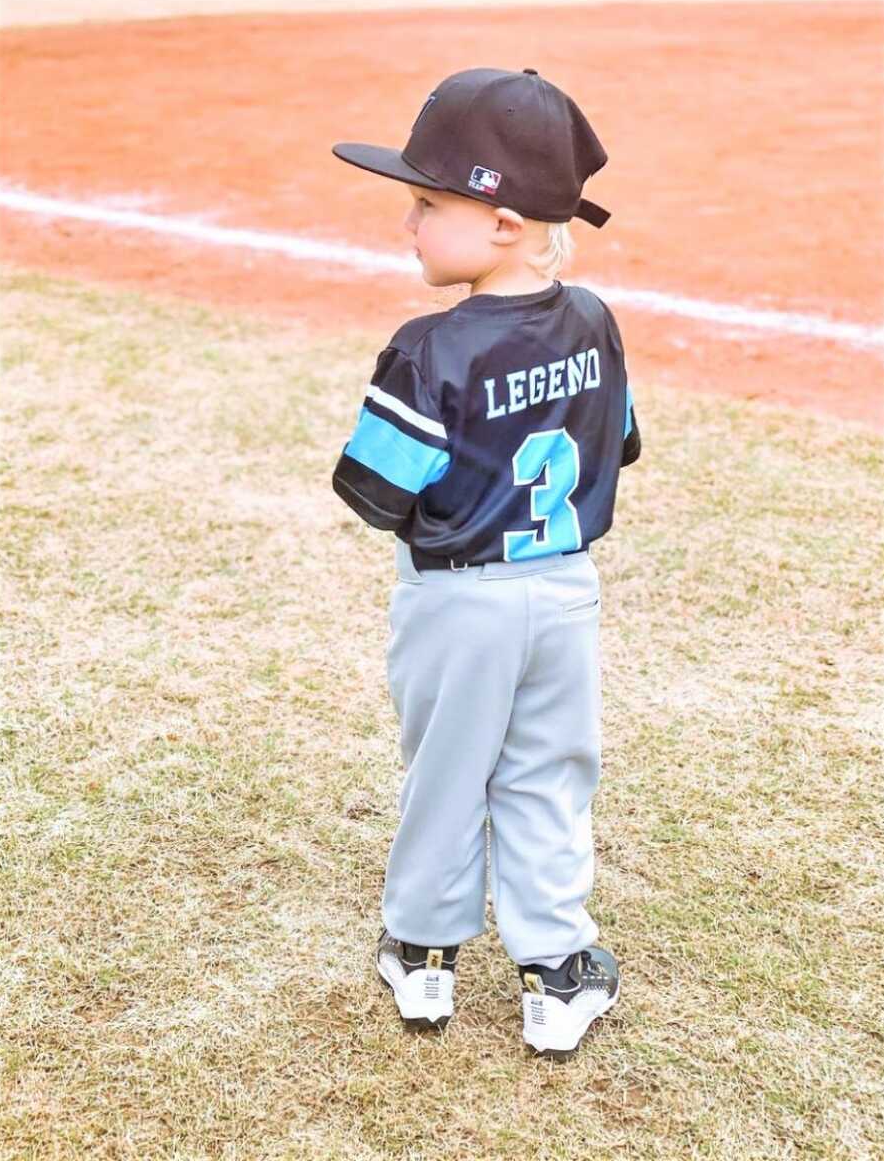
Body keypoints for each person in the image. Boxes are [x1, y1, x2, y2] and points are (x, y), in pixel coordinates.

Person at [330, 66, 641, 1062]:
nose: (408, 222)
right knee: (550, 772)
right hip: (564, 594)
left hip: (459, 601)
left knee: (450, 772)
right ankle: (557, 970)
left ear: (504, 222)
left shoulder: (430, 348)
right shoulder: (595, 319)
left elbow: (373, 492)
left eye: (427, 204)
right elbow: (617, 442)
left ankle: (423, 954)